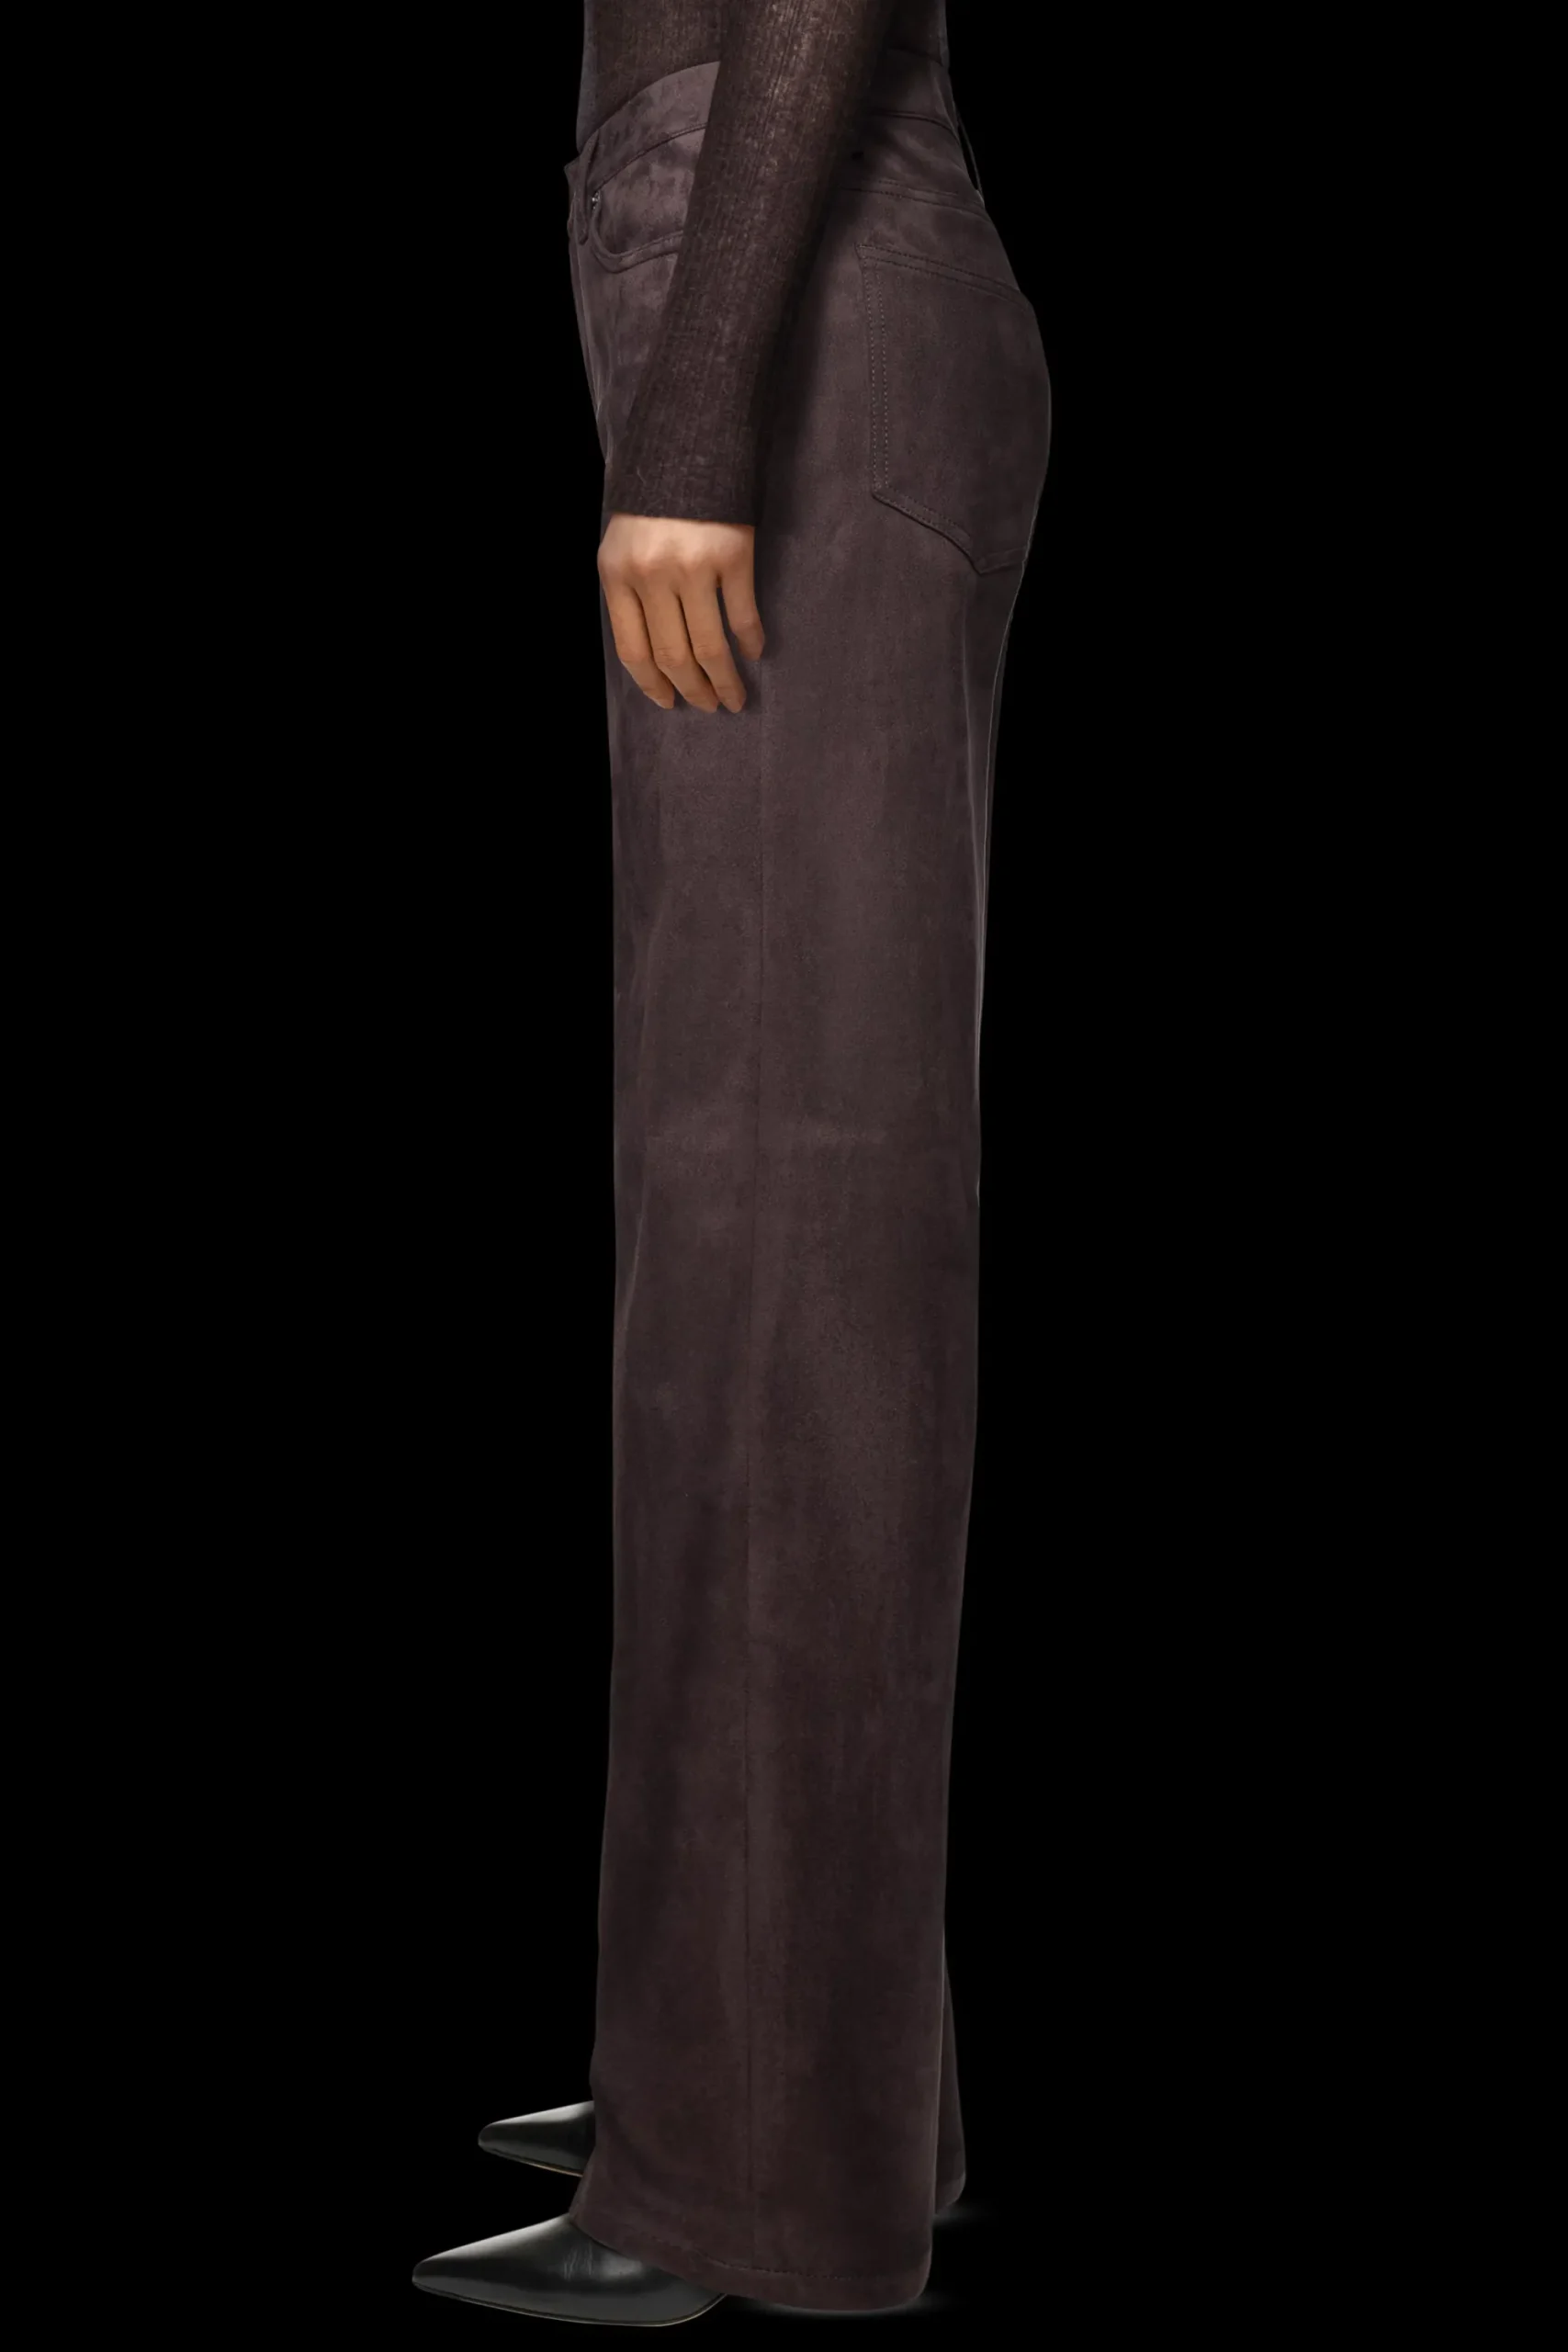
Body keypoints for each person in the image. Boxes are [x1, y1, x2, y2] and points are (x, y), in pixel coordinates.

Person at [413, 0, 1050, 2324]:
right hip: (772, 273)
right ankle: (807, 2066)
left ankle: (748, 2173)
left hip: (786, 309)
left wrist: (699, 401)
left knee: (778, 1264)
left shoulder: (755, 326)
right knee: (747, 1246)